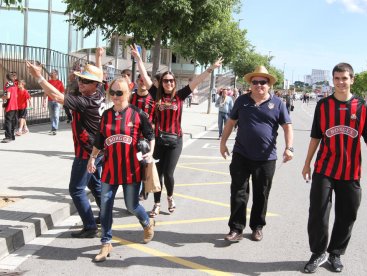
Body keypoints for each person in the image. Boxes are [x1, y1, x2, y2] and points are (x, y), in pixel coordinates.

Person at [301, 63, 367, 273]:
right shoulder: (323, 105)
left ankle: (335, 253)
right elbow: (315, 137)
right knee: (318, 212)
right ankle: (318, 252)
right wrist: (307, 163)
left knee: (348, 214)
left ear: (352, 79)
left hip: (350, 171)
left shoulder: (362, 107)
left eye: (344, 78)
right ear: (332, 80)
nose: (340, 82)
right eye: (337, 78)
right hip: (324, 168)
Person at [26, 48, 106, 239]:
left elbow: (56, 96)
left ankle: (89, 226)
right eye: (80, 78)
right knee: (95, 185)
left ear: (94, 85)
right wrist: (98, 59)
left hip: (86, 153)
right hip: (99, 150)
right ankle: (105, 215)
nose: (80, 82)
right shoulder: (100, 92)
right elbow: (100, 76)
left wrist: (39, 77)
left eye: (85, 81)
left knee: (76, 189)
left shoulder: (85, 101)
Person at [220, 65, 294, 242]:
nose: (259, 85)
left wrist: (289, 147)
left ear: (269, 85)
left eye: (263, 82)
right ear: (250, 84)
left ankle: (257, 227)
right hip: (241, 154)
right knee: (238, 192)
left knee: (261, 194)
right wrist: (223, 143)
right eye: (255, 82)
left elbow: (287, 127)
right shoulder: (242, 101)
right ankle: (236, 228)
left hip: (266, 158)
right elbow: (230, 124)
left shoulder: (278, 104)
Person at [87, 77, 156, 262]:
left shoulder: (137, 114)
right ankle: (106, 243)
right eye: (113, 92)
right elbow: (100, 140)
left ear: (128, 93)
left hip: (131, 170)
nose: (116, 96)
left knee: (131, 205)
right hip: (109, 171)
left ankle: (147, 223)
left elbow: (150, 134)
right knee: (105, 207)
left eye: (120, 93)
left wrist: (150, 153)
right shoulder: (106, 115)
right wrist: (92, 158)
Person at [149, 57, 223, 217]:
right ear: (161, 83)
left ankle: (169, 197)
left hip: (176, 140)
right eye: (165, 81)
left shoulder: (180, 96)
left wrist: (211, 68)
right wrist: (138, 59)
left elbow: (196, 81)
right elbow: (143, 73)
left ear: (175, 82)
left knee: (168, 174)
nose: (168, 83)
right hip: (159, 140)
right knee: (158, 175)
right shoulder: (156, 95)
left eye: (171, 81)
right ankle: (156, 203)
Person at [43, 69, 65, 135]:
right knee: (51, 115)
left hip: (57, 101)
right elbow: (46, 90)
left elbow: (62, 92)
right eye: (51, 73)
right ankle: (53, 128)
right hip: (50, 100)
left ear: (56, 74)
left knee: (56, 115)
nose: (51, 74)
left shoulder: (60, 82)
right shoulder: (49, 82)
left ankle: (54, 128)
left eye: (53, 73)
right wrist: (44, 98)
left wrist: (63, 101)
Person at [2, 72, 19, 143]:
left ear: (6, 78)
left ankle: (8, 137)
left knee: (8, 121)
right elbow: (16, 95)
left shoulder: (8, 85)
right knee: (12, 121)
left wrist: (2, 97)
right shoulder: (14, 84)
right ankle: (12, 136)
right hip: (15, 105)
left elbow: (8, 96)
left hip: (10, 105)